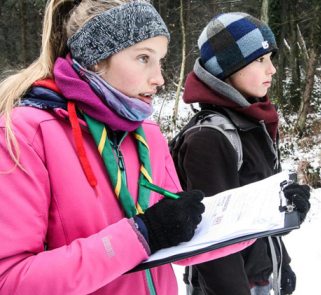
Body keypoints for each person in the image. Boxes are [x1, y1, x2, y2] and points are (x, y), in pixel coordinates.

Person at [0, 1, 254, 294]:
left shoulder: (147, 131)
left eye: (160, 60)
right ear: (96, 58)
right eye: (144, 58)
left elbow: (179, 234)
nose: (159, 78)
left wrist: (259, 222)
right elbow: (11, 280)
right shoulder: (24, 135)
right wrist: (141, 235)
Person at [170, 12, 311, 295]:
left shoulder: (252, 121)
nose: (272, 69)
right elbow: (213, 243)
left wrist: (286, 219)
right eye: (260, 59)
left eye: (270, 58)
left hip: (259, 276)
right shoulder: (209, 138)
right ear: (227, 68)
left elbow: (250, 217)